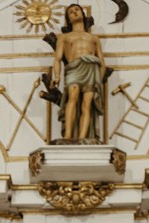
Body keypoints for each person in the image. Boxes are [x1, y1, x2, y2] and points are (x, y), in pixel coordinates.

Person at [53, 4, 107, 141]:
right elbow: (57, 59)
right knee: (73, 97)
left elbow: (101, 61)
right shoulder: (64, 37)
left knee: (87, 104)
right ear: (68, 19)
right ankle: (68, 136)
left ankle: (83, 138)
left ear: (82, 14)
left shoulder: (94, 38)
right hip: (74, 68)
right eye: (71, 12)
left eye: (77, 10)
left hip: (91, 69)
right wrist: (57, 76)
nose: (74, 13)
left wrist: (99, 80)